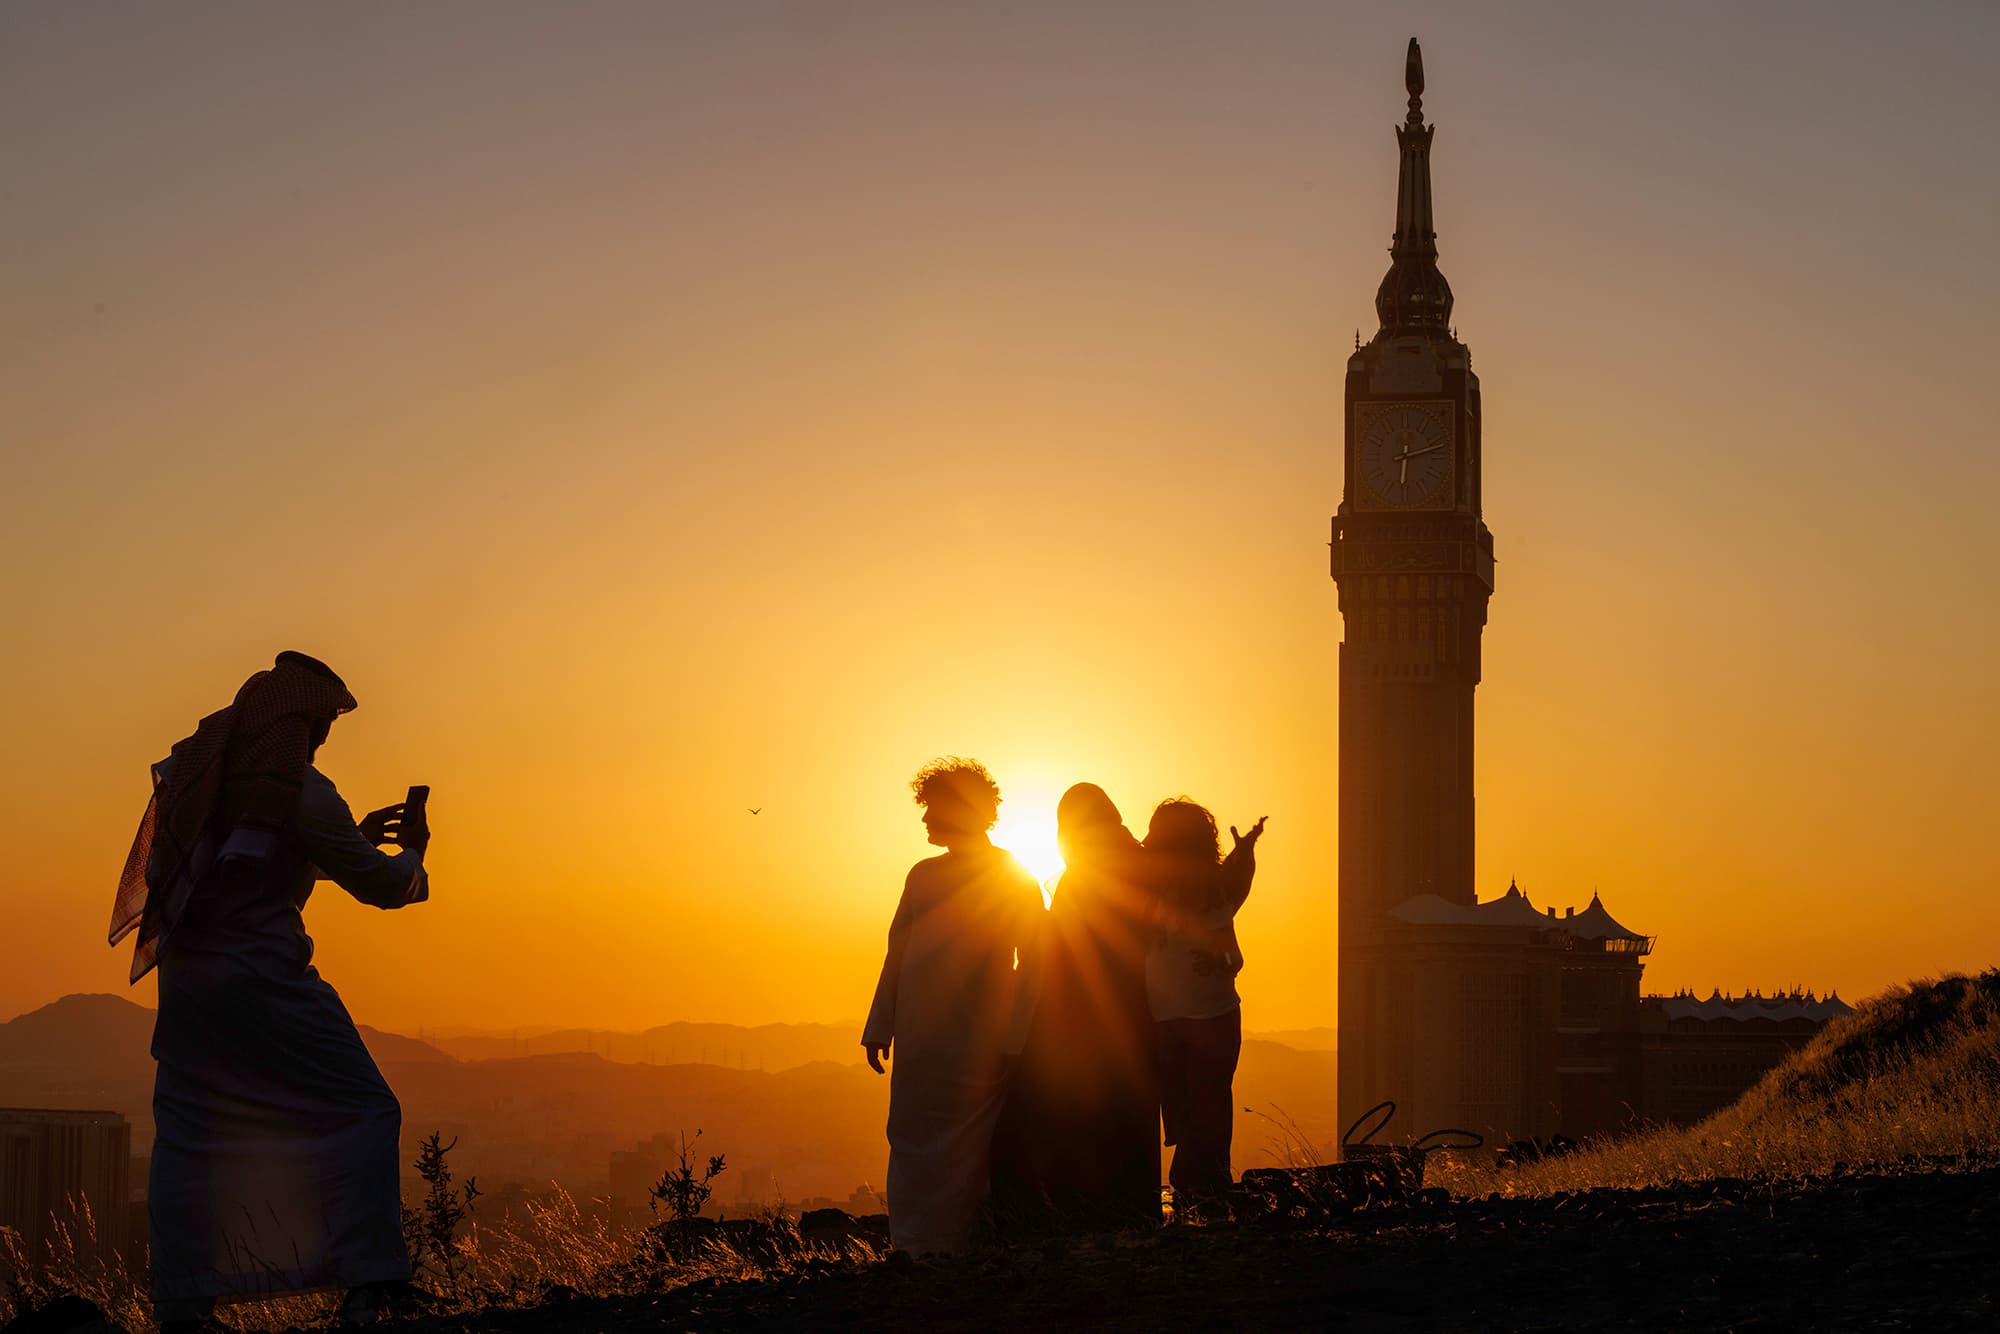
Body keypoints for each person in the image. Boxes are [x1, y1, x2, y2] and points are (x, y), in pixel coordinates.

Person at [109, 652, 431, 1330]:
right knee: (366, 1108)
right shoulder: (303, 791)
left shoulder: (198, 778)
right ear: (302, 723)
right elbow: (381, 886)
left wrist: (336, 844)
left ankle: (183, 1300)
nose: (320, 741)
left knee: (192, 1137)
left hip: (189, 989)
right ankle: (370, 1282)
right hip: (265, 982)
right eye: (319, 726)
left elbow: (242, 866)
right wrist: (412, 857)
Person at [861, 758, 1044, 1256]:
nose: (924, 820)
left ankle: (962, 1243)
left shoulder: (1011, 875)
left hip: (982, 1038)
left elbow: (1035, 958)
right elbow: (896, 954)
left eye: (932, 810)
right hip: (922, 1040)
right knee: (912, 1139)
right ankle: (914, 1245)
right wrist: (880, 1027)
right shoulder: (922, 877)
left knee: (970, 1145)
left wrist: (1016, 1035)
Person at [992, 782, 1159, 1229]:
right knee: (1125, 1121)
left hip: (1085, 1023)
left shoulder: (1086, 875)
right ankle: (1130, 1217)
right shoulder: (1138, 863)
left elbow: (1064, 951)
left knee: (1083, 1122)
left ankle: (1089, 1216)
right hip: (1133, 1020)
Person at [1144, 800, 1265, 1209]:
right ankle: (1200, 1193)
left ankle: (1201, 1194)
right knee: (1186, 1109)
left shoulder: (1209, 890)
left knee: (1205, 1108)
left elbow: (1235, 958)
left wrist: (1219, 960)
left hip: (1209, 1018)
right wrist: (1244, 851)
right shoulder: (1157, 885)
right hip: (1173, 1017)